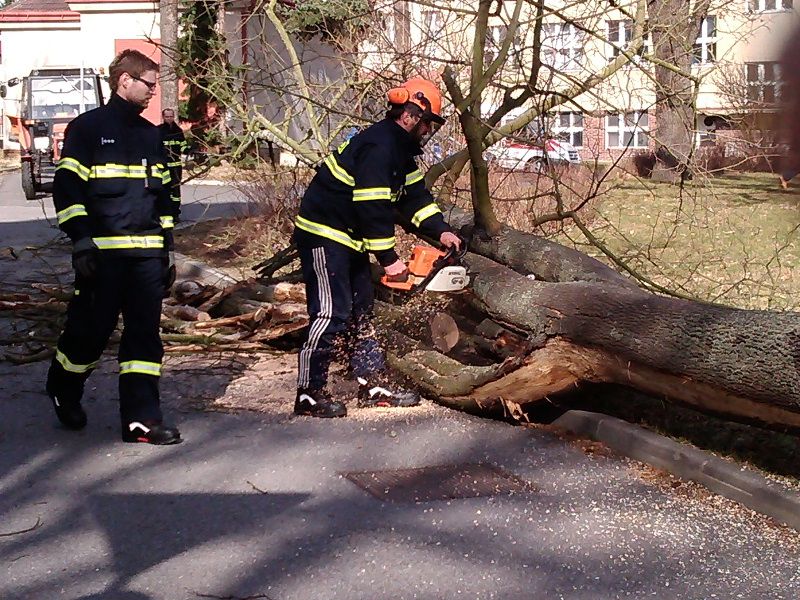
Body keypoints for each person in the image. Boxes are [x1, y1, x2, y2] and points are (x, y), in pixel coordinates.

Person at [293, 77, 462, 418]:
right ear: (410, 115)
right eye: (427, 123)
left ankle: (372, 385)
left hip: (349, 238)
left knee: (362, 313)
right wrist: (389, 260)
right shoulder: (380, 146)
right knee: (330, 313)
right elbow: (373, 206)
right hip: (324, 235)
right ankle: (308, 392)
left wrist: (442, 231)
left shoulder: (401, 153)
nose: (428, 130)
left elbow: (415, 198)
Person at [46, 49, 181, 445]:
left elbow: (165, 197)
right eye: (149, 84)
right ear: (125, 80)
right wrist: (81, 241)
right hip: (102, 257)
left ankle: (142, 419)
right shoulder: (87, 129)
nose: (153, 92)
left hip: (146, 258)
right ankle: (63, 386)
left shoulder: (151, 135)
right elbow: (67, 188)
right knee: (90, 333)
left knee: (144, 337)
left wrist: (167, 251)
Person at [158, 108, 187, 218]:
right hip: (164, 167)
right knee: (165, 189)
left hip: (176, 167)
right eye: (167, 117)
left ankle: (175, 213)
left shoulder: (178, 131)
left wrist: (189, 150)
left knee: (175, 191)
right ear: (163, 117)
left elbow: (183, 146)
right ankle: (166, 212)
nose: (169, 119)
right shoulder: (159, 131)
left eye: (171, 116)